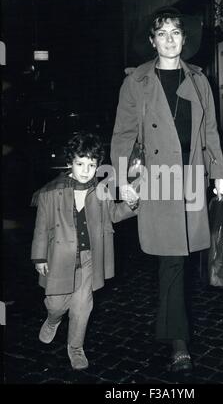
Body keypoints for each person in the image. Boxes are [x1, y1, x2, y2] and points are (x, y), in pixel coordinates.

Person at [110, 6, 223, 372]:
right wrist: (121, 182)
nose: (169, 39)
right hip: (157, 180)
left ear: (184, 39)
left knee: (180, 261)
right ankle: (180, 343)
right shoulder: (137, 82)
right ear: (152, 41)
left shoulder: (199, 80)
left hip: (191, 179)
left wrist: (219, 174)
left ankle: (170, 329)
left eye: (175, 32)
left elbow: (210, 133)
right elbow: (124, 135)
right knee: (171, 260)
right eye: (162, 33)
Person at [31, 132, 138, 370]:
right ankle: (52, 319)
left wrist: (132, 204)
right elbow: (41, 228)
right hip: (59, 257)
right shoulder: (51, 192)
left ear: (98, 166)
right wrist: (39, 257)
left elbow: (114, 215)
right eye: (80, 163)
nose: (85, 170)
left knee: (82, 304)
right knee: (56, 303)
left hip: (89, 257)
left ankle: (76, 348)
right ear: (70, 162)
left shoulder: (101, 191)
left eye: (92, 165)